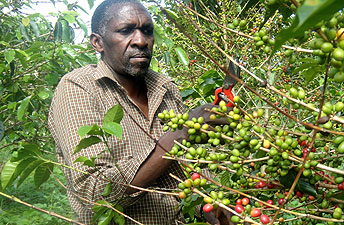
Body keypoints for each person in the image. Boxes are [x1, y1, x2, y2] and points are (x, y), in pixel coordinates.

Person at [48, 0, 232, 224]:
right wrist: (180, 133)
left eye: (147, 31)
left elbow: (188, 171)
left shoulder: (166, 89)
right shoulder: (80, 87)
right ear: (98, 43)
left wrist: (210, 206)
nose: (141, 41)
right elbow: (95, 192)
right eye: (125, 31)